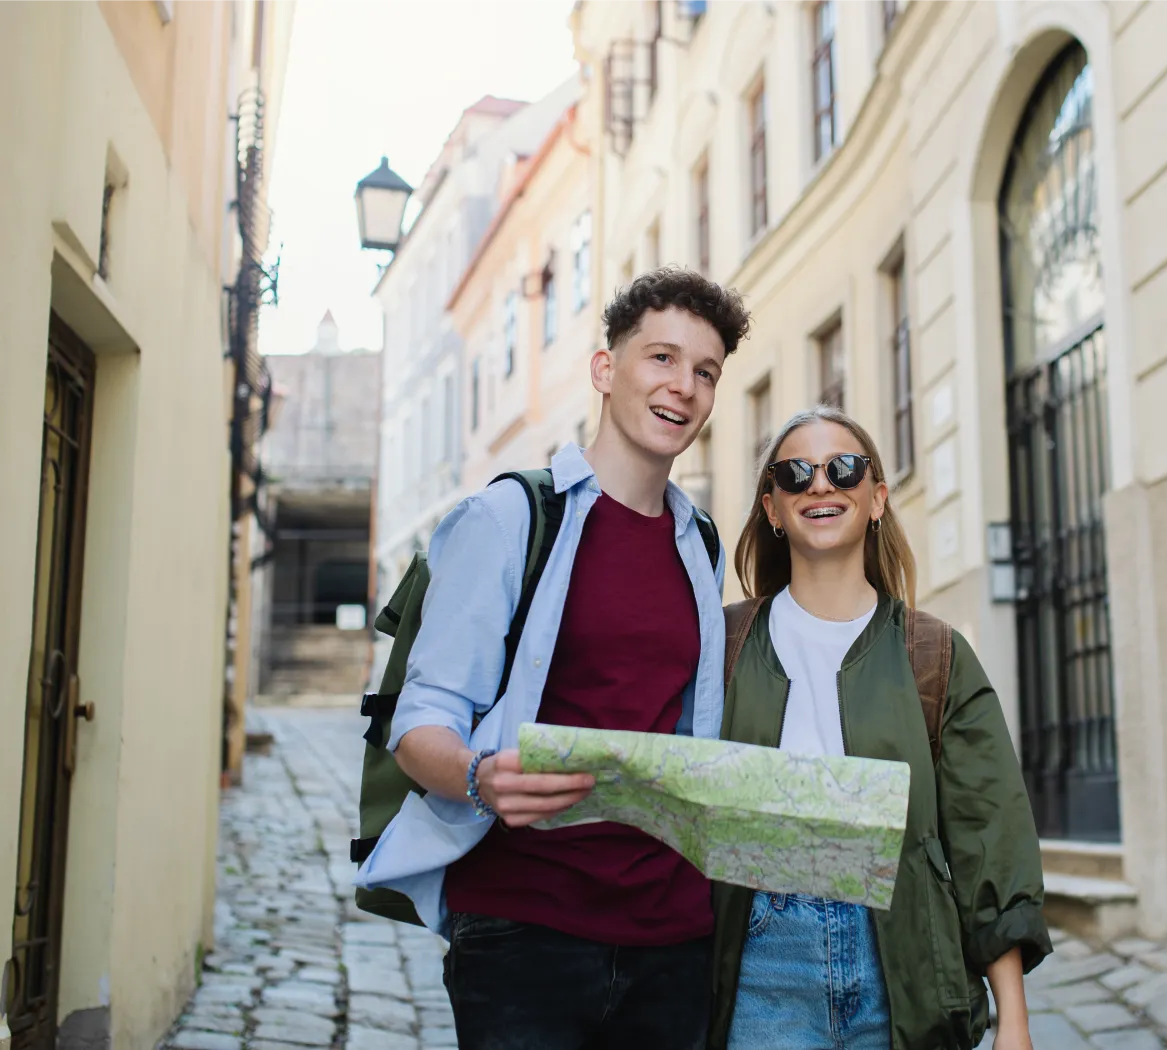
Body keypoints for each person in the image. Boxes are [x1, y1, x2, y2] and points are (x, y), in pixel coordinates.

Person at [356, 268, 750, 1050]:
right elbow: (419, 718)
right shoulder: (509, 518)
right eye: (662, 358)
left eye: (705, 372)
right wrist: (478, 776)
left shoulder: (699, 541)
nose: (685, 388)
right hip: (521, 924)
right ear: (606, 371)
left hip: (671, 933)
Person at [711, 405, 1051, 1050]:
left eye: (844, 468)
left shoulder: (934, 654)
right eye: (795, 473)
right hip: (761, 972)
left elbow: (989, 838)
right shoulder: (723, 644)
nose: (820, 484)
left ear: (876, 499)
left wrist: (1016, 1023)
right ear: (773, 509)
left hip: (904, 972)